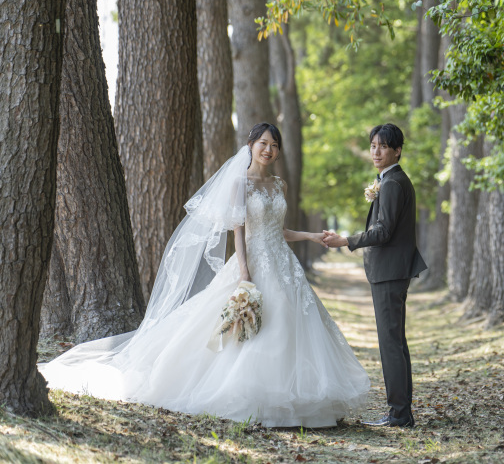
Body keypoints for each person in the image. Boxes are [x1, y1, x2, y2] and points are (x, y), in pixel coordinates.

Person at [39, 123, 370, 428]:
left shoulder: (278, 184)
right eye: (263, 143)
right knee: (242, 327)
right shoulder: (240, 183)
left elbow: (278, 230)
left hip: (283, 264)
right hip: (252, 262)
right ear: (251, 145)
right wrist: (244, 272)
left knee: (288, 320)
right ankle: (246, 394)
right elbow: (239, 230)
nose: (268, 150)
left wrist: (312, 237)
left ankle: (294, 400)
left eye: (274, 145)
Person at [323, 123, 427, 428]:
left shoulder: (393, 183)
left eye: (383, 146)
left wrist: (346, 240)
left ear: (397, 151)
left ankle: (399, 414)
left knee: (391, 343)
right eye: (372, 146)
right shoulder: (391, 180)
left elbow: (383, 232)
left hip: (390, 272)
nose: (376, 152)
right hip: (391, 271)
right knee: (395, 342)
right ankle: (401, 412)